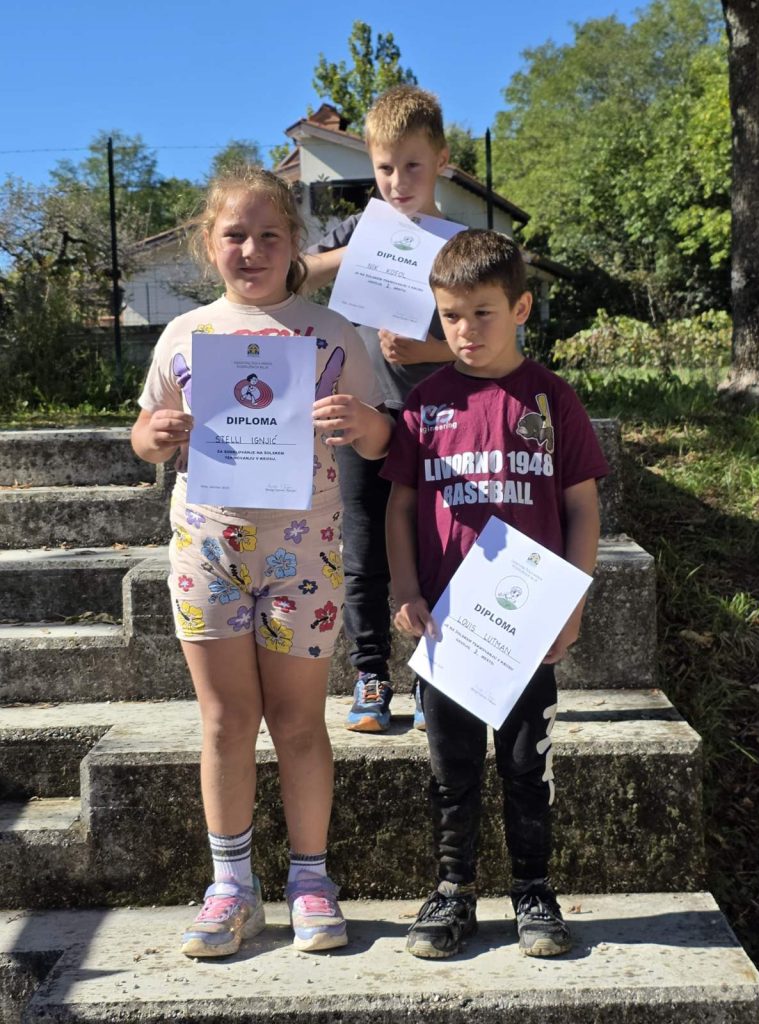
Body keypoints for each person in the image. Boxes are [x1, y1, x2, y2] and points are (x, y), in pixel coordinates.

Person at [131, 167, 392, 957]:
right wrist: (156, 437)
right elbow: (144, 432)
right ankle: (231, 888)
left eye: (269, 234)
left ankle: (311, 881)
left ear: (295, 243)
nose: (251, 249)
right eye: (234, 235)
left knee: (300, 723)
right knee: (224, 720)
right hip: (208, 550)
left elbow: (380, 436)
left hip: (303, 552)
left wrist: (362, 424)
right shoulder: (185, 334)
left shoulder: (331, 333)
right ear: (208, 244)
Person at [382, 229, 610, 959]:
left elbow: (582, 508)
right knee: (451, 770)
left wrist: (571, 605)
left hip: (525, 628)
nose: (465, 330)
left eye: (482, 312)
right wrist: (407, 589)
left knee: (525, 765)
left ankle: (533, 891)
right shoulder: (424, 404)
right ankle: (453, 891)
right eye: (450, 316)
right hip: (448, 632)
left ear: (521, 308)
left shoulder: (552, 398)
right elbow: (399, 509)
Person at [303, 85, 455, 733]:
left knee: (437, 548)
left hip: (441, 422)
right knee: (363, 552)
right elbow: (295, 275)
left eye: (413, 166)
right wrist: (359, 250)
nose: (398, 182)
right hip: (361, 414)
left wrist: (428, 350)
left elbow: (502, 338)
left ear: (441, 160)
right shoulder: (353, 230)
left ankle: (433, 676)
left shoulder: (462, 245)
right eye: (385, 167)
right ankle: (370, 675)